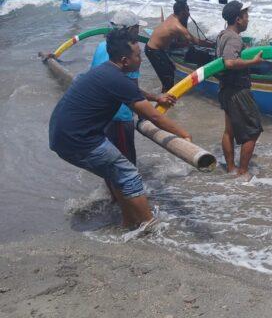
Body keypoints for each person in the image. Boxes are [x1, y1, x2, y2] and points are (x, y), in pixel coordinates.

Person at [49, 28, 192, 230]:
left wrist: (155, 97)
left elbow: (131, 91)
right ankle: (148, 226)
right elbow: (153, 116)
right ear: (125, 61)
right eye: (138, 56)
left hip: (62, 135)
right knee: (129, 174)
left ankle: (128, 222)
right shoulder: (117, 79)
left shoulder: (106, 71)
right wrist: (184, 135)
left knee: (116, 172)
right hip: (78, 140)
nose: (141, 59)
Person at [90, 10, 175, 202]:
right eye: (137, 29)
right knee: (127, 165)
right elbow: (132, 91)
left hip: (100, 116)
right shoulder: (129, 55)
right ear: (129, 30)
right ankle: (127, 206)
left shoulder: (101, 47)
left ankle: (115, 198)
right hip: (118, 117)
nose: (138, 33)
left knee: (111, 161)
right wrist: (157, 99)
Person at [217, 0, 272, 179]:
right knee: (254, 130)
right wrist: (254, 62)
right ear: (238, 19)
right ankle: (242, 171)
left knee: (230, 131)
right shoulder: (234, 38)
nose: (248, 19)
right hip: (238, 91)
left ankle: (231, 168)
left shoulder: (223, 34)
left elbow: (238, 53)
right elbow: (230, 62)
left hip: (225, 89)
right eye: (246, 16)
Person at [145, 1, 215, 92]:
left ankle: (165, 94)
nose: (189, 13)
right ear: (182, 13)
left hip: (155, 48)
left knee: (170, 69)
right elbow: (195, 41)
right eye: (188, 10)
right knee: (168, 78)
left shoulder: (172, 16)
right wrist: (212, 45)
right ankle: (164, 99)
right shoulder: (178, 27)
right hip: (153, 51)